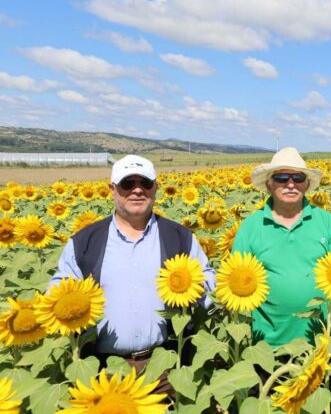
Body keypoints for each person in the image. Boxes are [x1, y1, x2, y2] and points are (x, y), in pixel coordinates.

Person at [51, 155, 215, 394]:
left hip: (165, 367)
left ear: (155, 188)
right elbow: (57, 295)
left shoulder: (179, 237)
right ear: (112, 189)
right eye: (128, 184)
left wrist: (200, 288)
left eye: (145, 184)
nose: (137, 190)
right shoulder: (84, 242)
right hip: (104, 370)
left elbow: (209, 284)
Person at [231, 147, 331, 348]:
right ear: (269, 184)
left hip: (320, 341)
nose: (290, 184)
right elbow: (234, 276)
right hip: (268, 346)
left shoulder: (325, 221)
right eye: (282, 177)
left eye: (298, 178)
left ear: (307, 184)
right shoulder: (251, 226)